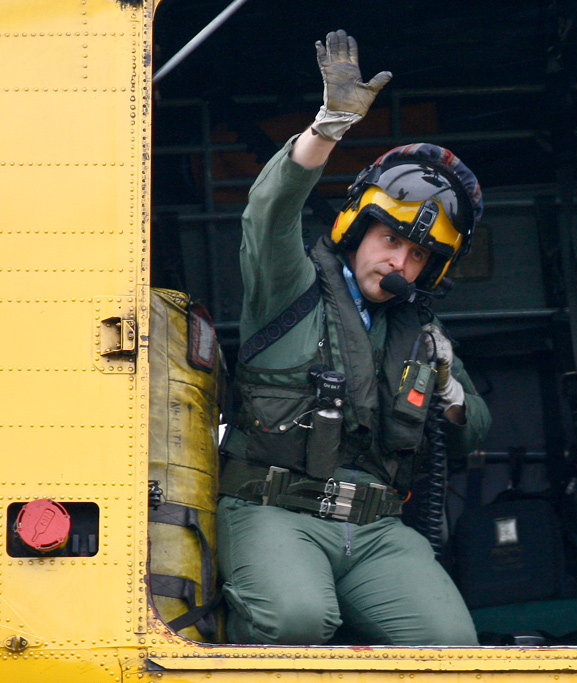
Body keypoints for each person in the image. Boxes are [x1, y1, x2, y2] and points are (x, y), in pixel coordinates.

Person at [216, 29, 490, 646]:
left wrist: (448, 390)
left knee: (453, 648)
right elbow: (269, 211)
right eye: (389, 240)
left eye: (417, 254)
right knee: (296, 619)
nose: (399, 262)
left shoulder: (422, 335)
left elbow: (476, 427)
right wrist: (328, 127)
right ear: (356, 230)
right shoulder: (289, 285)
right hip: (274, 510)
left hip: (376, 529)